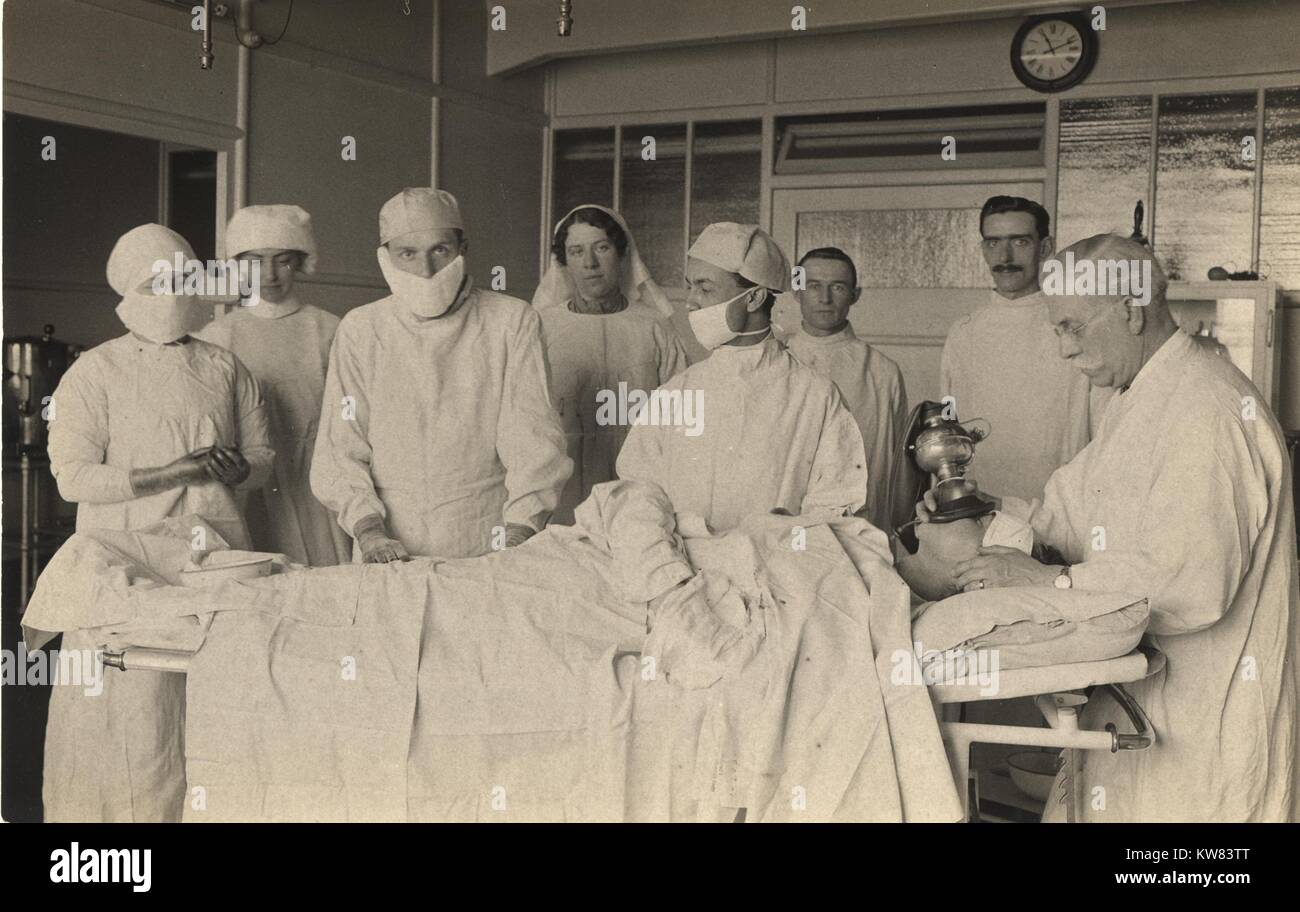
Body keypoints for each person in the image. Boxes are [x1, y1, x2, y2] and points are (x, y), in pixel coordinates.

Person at [926, 235, 1298, 823]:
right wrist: (978, 516)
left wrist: (1052, 581)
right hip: (1141, 703)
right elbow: (1066, 511)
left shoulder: (1208, 407)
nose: (1064, 351)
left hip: (1204, 710)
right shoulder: (1136, 399)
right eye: (1056, 331)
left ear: (1130, 308)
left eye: (1072, 327)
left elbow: (1194, 583)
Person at [44, 223, 274, 822]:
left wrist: (237, 467)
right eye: (155, 282)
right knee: (133, 716)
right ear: (126, 289)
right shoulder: (94, 373)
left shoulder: (226, 367)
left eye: (180, 279)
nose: (170, 293)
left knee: (208, 707)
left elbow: (267, 461)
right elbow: (74, 477)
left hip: (216, 559)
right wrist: (169, 473)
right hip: (126, 567)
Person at [311, 188, 571, 562]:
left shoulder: (510, 321)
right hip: (386, 540)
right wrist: (369, 532)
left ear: (463, 247)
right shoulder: (362, 329)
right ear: (386, 258)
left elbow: (533, 441)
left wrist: (517, 536)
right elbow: (341, 446)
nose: (426, 270)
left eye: (440, 250)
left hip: (485, 531)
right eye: (408, 254)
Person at [616, 222, 867, 532]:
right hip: (680, 567)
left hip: (772, 570)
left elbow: (833, 507)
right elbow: (637, 495)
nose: (691, 301)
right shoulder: (676, 393)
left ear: (754, 298)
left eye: (705, 287)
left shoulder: (815, 396)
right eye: (690, 285)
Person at [196, 204, 351, 566]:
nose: (269, 274)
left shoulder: (330, 330)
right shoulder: (219, 335)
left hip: (318, 479)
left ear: (299, 262)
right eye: (255, 261)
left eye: (282, 260)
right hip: (249, 483)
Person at [940, 196, 1107, 501]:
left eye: (1019, 242)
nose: (1004, 256)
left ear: (1044, 247)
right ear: (983, 250)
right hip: (981, 502)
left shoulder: (1075, 326)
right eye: (993, 243)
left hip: (1059, 505)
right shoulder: (963, 333)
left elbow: (1102, 429)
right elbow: (949, 433)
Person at [532, 205, 688, 523]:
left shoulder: (654, 326)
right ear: (563, 261)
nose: (590, 263)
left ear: (621, 253)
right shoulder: (541, 328)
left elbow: (680, 416)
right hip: (563, 491)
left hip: (639, 484)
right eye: (576, 252)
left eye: (601, 248)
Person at [785, 247, 907, 531]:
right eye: (814, 286)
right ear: (797, 291)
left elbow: (893, 465)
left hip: (861, 522)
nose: (825, 298)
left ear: (855, 294)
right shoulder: (778, 361)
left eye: (837, 287)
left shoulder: (881, 371)